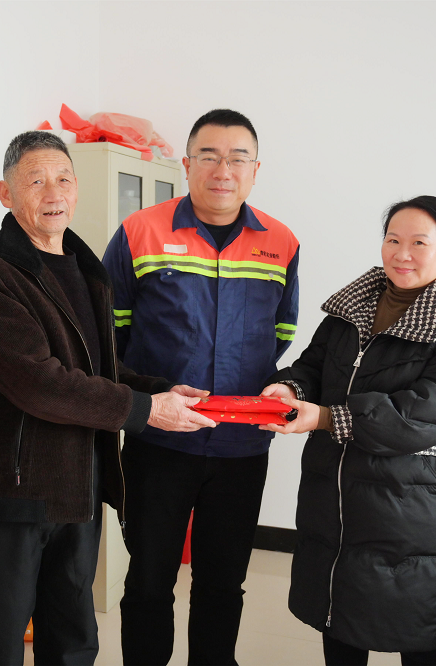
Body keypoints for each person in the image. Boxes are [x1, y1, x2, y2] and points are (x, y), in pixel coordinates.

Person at [0, 130, 216, 666]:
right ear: (6, 193)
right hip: (6, 495)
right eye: (36, 181)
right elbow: (38, 382)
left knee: (73, 643)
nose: (54, 193)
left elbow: (100, 369)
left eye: (64, 179)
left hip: (78, 489)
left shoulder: (86, 267)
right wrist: (146, 411)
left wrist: (158, 390)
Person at [102, 108, 300, 665]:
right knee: (149, 578)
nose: (223, 170)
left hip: (241, 446)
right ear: (186, 165)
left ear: (255, 170)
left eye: (238, 158)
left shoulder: (281, 242)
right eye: (208, 156)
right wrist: (152, 397)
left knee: (223, 581)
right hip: (160, 440)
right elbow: (110, 332)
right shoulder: (140, 232)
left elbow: (281, 332)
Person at [260, 196, 436, 666]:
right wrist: (290, 387)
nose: (402, 254)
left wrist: (327, 418)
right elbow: (314, 366)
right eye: (393, 240)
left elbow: (420, 415)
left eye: (419, 243)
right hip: (336, 494)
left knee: (417, 629)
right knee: (339, 617)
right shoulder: (349, 313)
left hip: (412, 506)